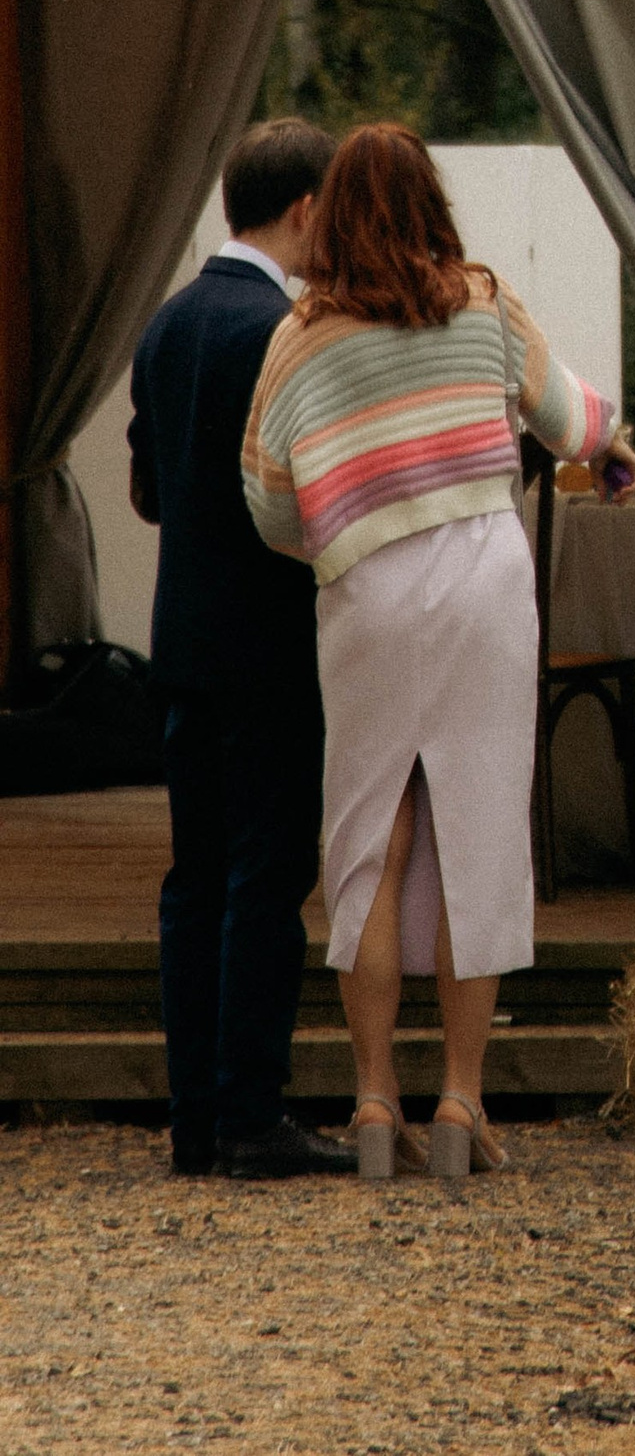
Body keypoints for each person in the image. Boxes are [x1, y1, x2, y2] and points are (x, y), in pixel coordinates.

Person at [241, 123, 635, 1185]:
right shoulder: (483, 302)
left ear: (331, 209)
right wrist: (612, 447)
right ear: (430, 203)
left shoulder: (303, 336)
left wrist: (336, 531)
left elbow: (269, 501)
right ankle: (462, 1098)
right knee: (478, 829)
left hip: (366, 590)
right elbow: (569, 420)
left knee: (370, 839)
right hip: (483, 580)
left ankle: (374, 1100)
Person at [128, 116, 354, 1181]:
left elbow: (145, 491)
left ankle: (193, 1119)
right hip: (270, 643)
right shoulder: (285, 330)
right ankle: (252, 1111)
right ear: (306, 208)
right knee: (267, 877)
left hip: (181, 644)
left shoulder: (167, 324)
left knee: (194, 881)